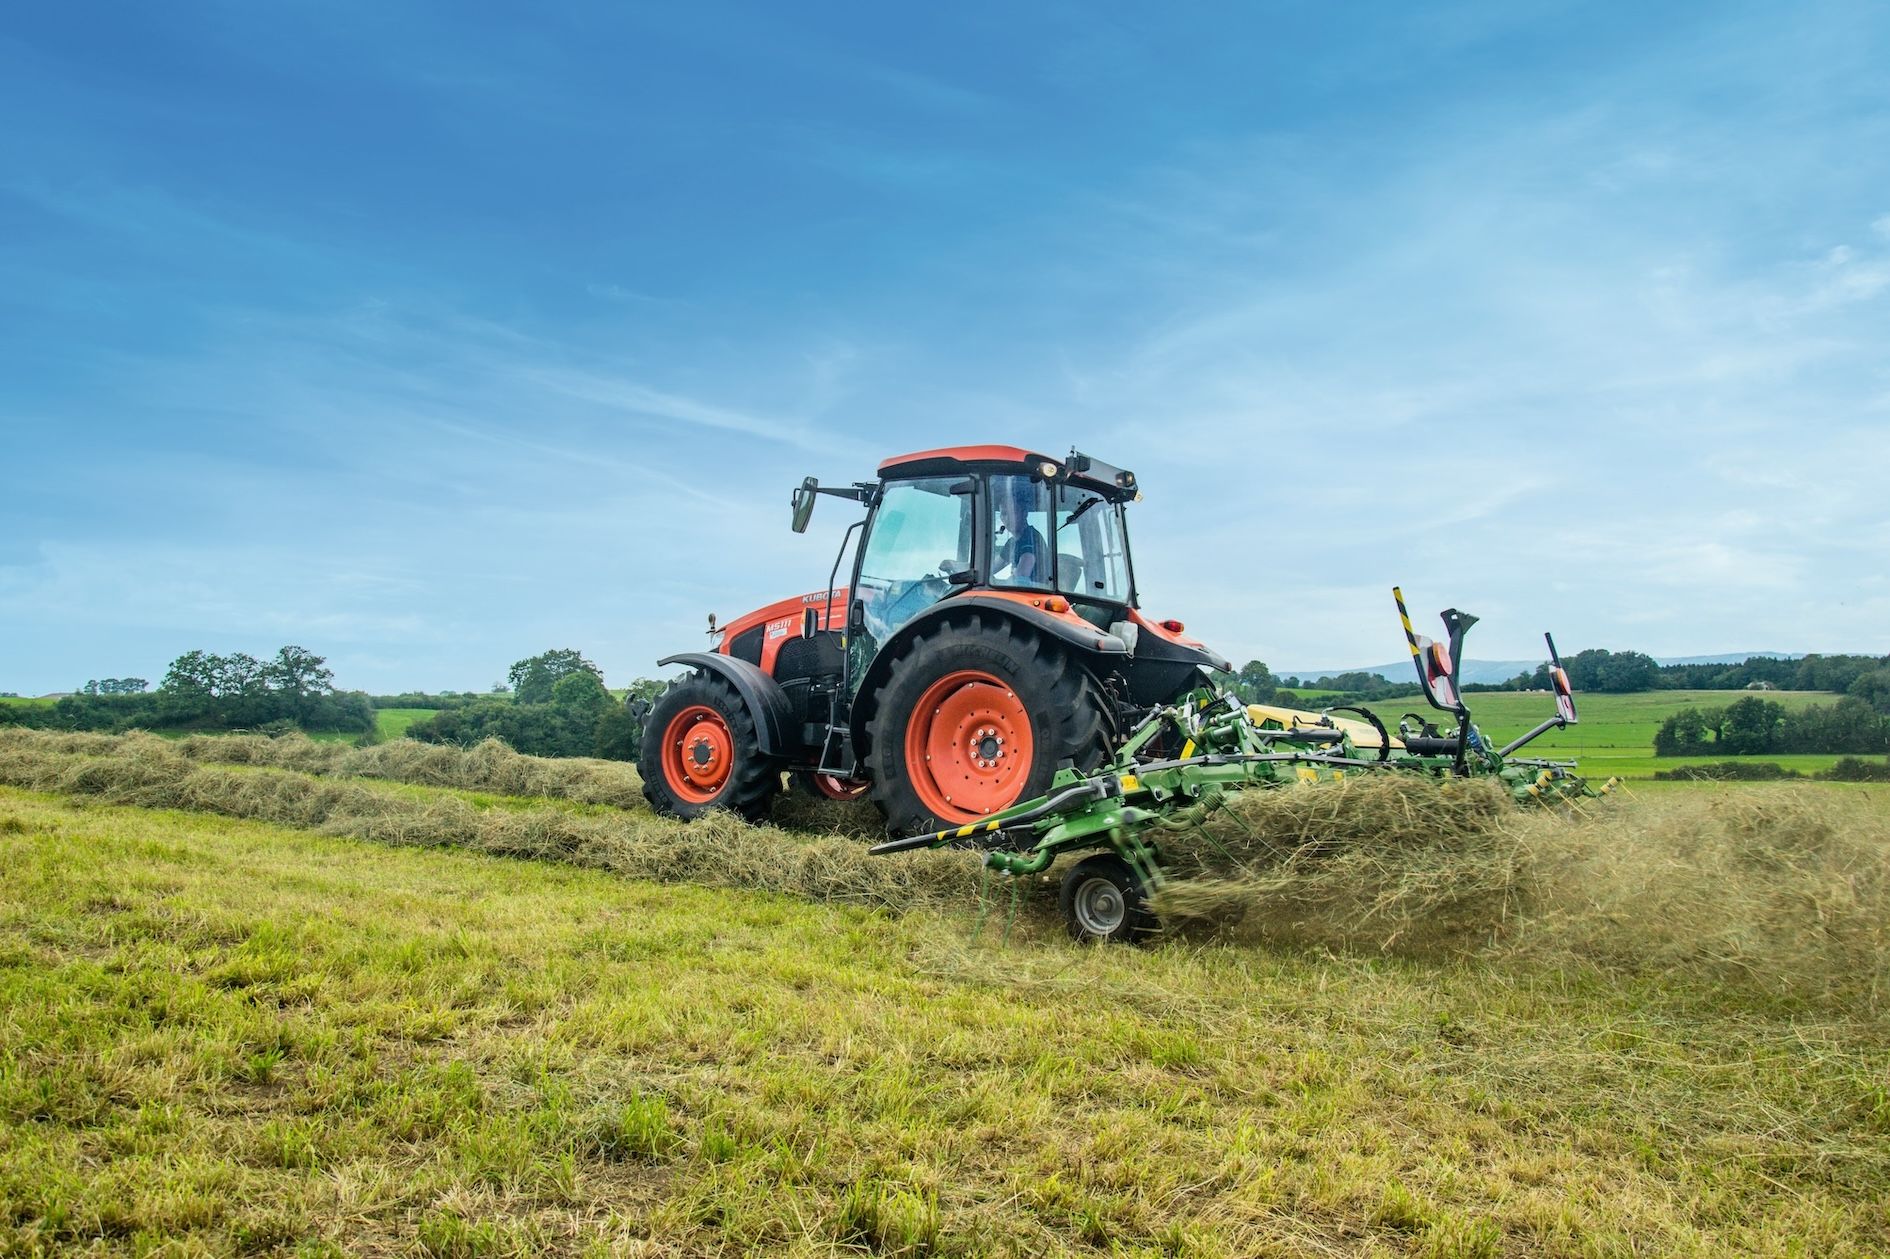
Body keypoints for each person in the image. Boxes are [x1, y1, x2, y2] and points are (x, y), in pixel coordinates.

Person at [993, 478, 1048, 587]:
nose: (1007, 518)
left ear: (1024, 513)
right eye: (1004, 513)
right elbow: (992, 568)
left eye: (1011, 512)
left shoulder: (1031, 537)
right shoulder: (1012, 542)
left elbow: (1023, 573)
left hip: (1034, 595)